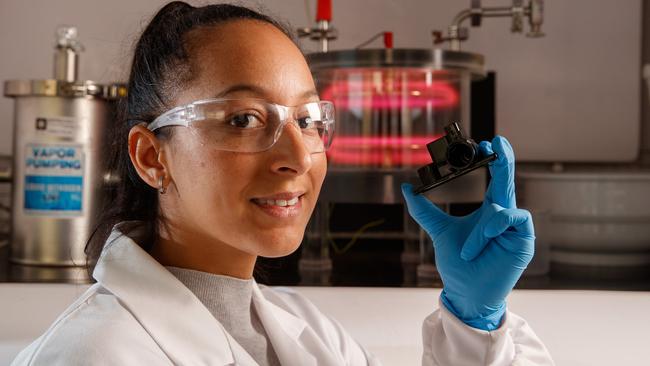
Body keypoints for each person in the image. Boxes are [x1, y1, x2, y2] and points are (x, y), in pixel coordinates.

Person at [12, 2, 554, 365]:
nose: (298, 156)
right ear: (153, 157)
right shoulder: (96, 354)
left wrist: (474, 323)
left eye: (307, 120)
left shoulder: (312, 334)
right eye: (244, 119)